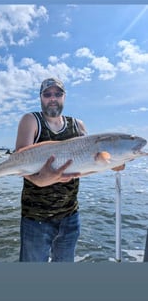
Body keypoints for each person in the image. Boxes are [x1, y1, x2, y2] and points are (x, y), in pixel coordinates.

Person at [15, 77, 124, 262]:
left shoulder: (77, 125)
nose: (52, 98)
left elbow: (91, 160)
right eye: (47, 94)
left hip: (70, 217)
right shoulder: (31, 120)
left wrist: (114, 161)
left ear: (64, 97)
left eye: (58, 94)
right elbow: (19, 161)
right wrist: (41, 180)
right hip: (36, 218)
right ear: (41, 97)